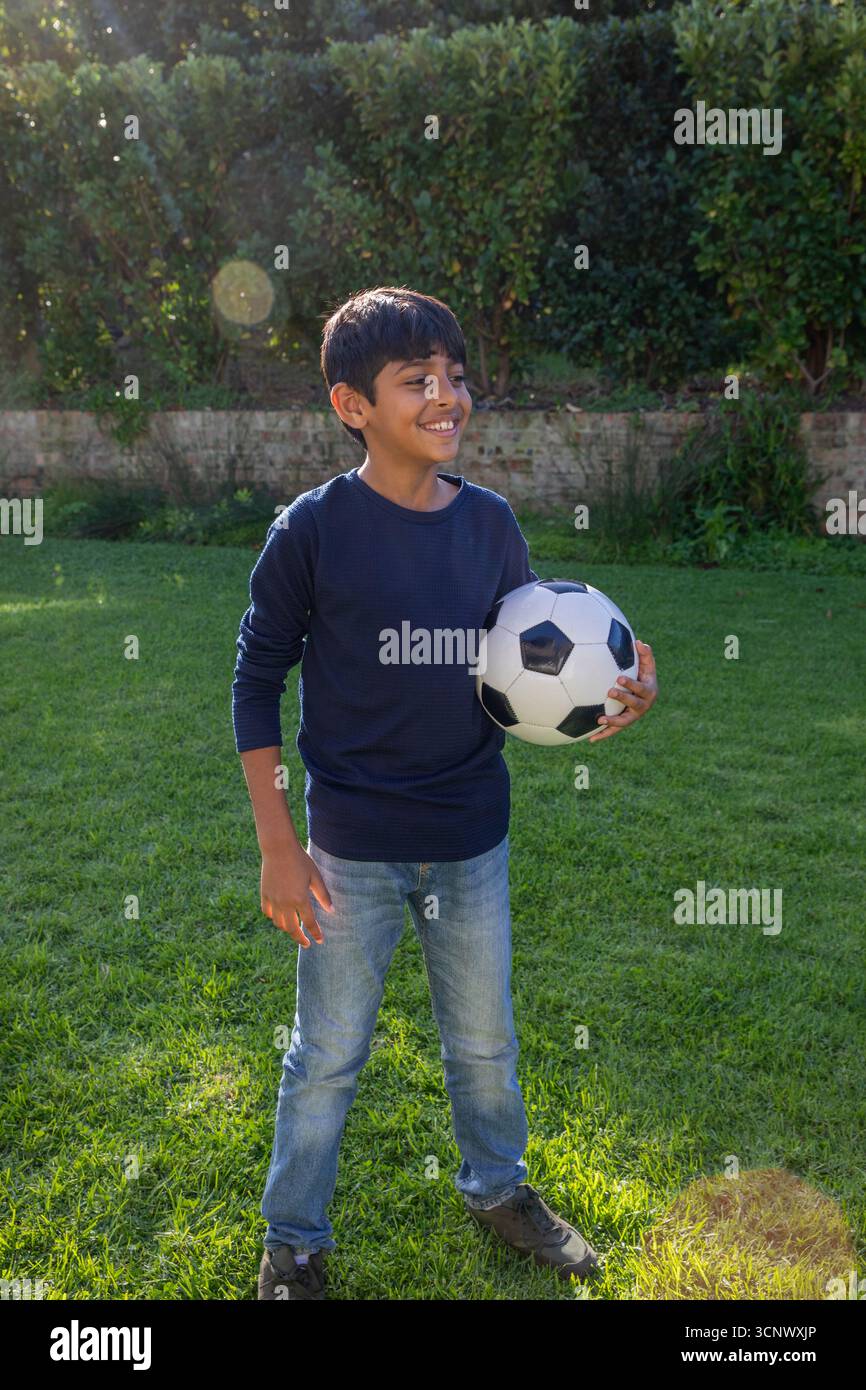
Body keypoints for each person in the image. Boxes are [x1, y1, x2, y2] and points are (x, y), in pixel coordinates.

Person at [231, 285, 659, 1301]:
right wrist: (278, 846)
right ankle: (291, 1241)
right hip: (346, 850)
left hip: (470, 838)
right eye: (415, 380)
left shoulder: (491, 527)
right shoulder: (312, 530)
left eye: (455, 377)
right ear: (352, 406)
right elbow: (255, 678)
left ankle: (497, 1189)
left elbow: (533, 664)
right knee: (326, 1054)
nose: (446, 396)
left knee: (483, 1041)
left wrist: (623, 691)